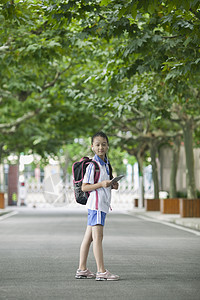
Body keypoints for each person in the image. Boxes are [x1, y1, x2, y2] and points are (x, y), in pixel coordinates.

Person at [75, 131, 120, 281]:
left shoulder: (106, 164)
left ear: (108, 146)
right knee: (98, 237)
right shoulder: (92, 165)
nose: (101, 147)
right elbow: (84, 187)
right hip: (96, 205)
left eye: (104, 144)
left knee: (89, 238)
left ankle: (82, 269)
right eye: (97, 144)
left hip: (100, 205)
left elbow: (103, 184)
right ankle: (101, 271)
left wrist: (112, 185)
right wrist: (101, 184)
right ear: (92, 147)